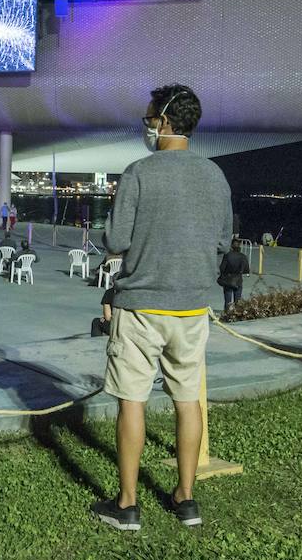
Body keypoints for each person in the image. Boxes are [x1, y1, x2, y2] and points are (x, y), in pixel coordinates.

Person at [91, 83, 233, 531]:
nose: (147, 125)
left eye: (150, 117)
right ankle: (186, 499)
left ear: (165, 121)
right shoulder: (215, 176)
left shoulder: (139, 171)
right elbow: (223, 242)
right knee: (188, 401)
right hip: (192, 307)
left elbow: (116, 240)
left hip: (140, 306)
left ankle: (128, 504)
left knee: (132, 401)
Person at [218, 239, 251, 310]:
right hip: (238, 280)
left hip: (228, 280)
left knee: (228, 301)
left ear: (231, 246)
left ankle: (227, 313)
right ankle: (236, 314)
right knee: (238, 301)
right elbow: (246, 270)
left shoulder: (227, 255)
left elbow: (222, 268)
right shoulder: (243, 256)